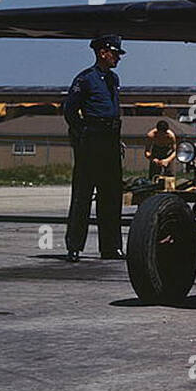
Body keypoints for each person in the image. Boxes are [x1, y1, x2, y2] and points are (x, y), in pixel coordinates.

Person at [63, 34, 126, 262]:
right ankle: (74, 246)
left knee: (111, 195)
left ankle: (111, 247)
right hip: (92, 139)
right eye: (115, 53)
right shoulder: (85, 79)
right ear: (103, 52)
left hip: (110, 138)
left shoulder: (113, 79)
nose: (118, 58)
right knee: (83, 193)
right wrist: (83, 136)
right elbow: (70, 111)